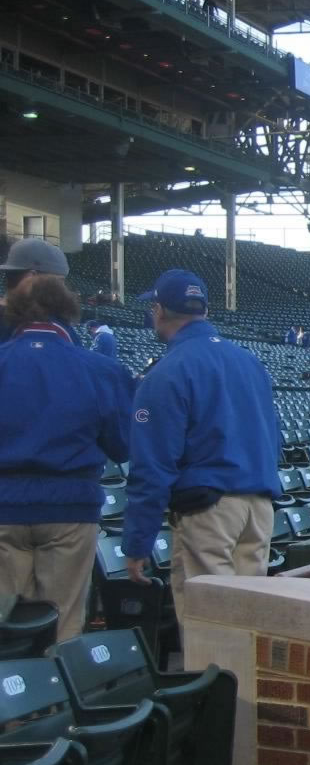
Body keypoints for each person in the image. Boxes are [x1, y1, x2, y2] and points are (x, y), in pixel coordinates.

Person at [123, 271, 280, 629]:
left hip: (210, 511)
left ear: (159, 310)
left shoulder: (168, 371)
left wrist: (137, 542)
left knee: (211, 627)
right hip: (259, 508)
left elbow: (152, 465)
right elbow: (274, 438)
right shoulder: (248, 361)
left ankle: (221, 686)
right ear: (204, 310)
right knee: (247, 624)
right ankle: (242, 687)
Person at [0, 275, 134, 641]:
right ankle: (57, 697)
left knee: (4, 631)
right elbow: (123, 447)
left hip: (4, 510)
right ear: (67, 312)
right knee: (62, 625)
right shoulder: (101, 369)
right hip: (70, 511)